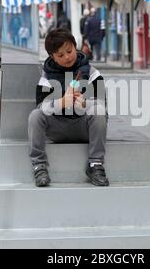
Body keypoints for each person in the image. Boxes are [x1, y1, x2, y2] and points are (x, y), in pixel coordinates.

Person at [28, 29, 109, 187]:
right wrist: (61, 102)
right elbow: (40, 106)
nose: (67, 57)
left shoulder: (92, 73)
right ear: (52, 56)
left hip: (84, 127)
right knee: (35, 116)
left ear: (75, 46)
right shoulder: (46, 76)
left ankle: (95, 164)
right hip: (57, 129)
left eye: (69, 51)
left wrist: (85, 104)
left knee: (98, 110)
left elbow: (102, 104)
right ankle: (39, 165)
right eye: (60, 55)